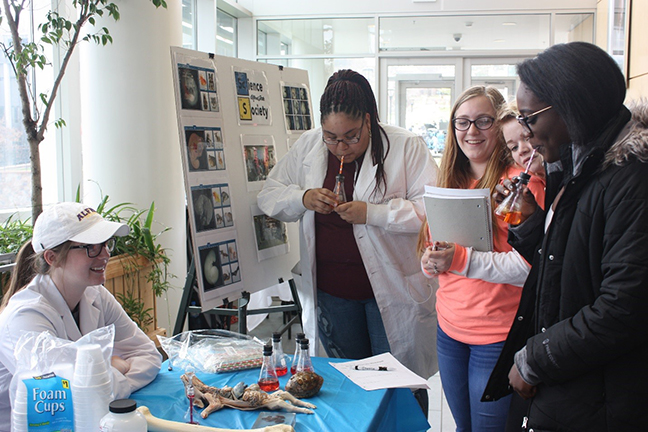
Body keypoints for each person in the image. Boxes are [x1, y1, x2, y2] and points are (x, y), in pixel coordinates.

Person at [481, 42, 648, 432]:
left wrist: (535, 359)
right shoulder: (577, 164)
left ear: (571, 107)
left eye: (529, 119)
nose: (525, 133)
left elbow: (623, 307)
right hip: (572, 386)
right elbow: (569, 263)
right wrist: (529, 223)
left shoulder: (631, 178)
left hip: (602, 397)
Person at [257, 69, 439, 411]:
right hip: (333, 294)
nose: (341, 147)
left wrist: (375, 213)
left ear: (368, 122)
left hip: (392, 290)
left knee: (401, 386)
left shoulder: (405, 146)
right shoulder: (309, 145)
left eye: (351, 137)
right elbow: (269, 194)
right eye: (331, 137)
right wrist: (304, 197)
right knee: (350, 385)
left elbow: (432, 210)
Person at [418, 86, 544, 432]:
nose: (471, 131)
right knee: (463, 428)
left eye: (483, 121)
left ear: (500, 125)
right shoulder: (449, 180)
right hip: (449, 328)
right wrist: (431, 262)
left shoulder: (521, 184)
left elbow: (530, 269)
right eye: (462, 122)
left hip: (497, 334)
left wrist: (457, 259)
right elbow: (437, 250)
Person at [0, 202, 162, 425]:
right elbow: (66, 398)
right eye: (91, 247)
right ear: (51, 257)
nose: (105, 254)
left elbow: (149, 355)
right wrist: (113, 367)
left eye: (106, 244)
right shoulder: (24, 317)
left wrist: (110, 373)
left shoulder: (95, 294)